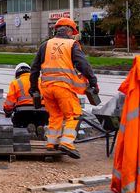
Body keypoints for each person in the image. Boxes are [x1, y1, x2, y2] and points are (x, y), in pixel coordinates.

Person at [29, 18, 98, 159]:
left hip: (47, 89)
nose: (73, 35)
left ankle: (51, 143)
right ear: (68, 30)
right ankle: (67, 143)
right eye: (73, 32)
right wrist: (92, 81)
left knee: (55, 116)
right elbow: (83, 64)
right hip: (63, 88)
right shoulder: (71, 44)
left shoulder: (45, 45)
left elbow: (34, 69)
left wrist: (34, 88)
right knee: (74, 115)